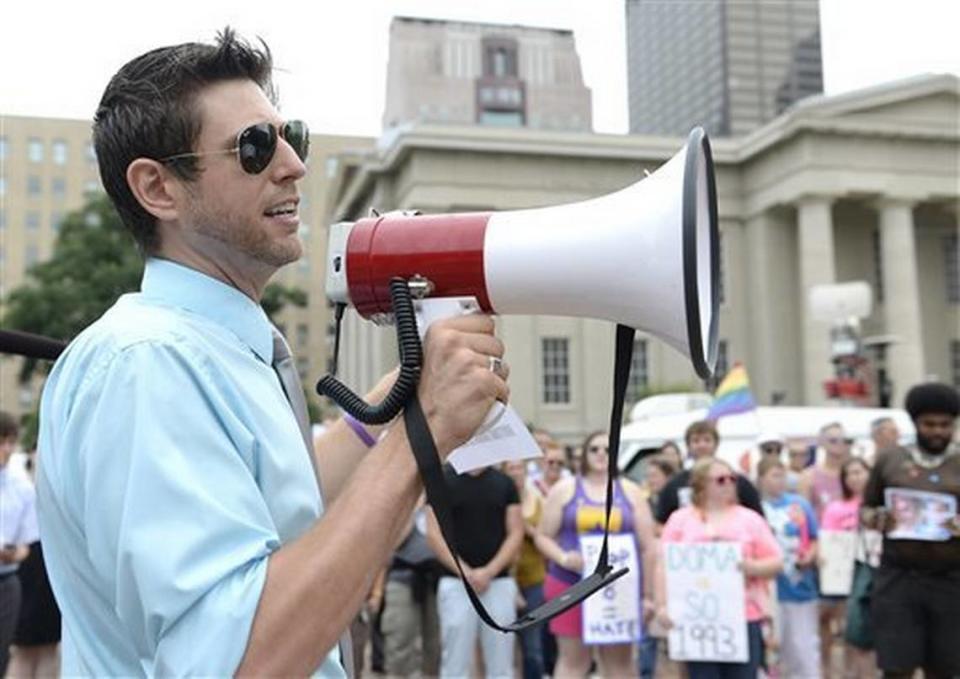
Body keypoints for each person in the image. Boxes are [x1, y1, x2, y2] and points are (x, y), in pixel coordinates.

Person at [35, 29, 510, 676]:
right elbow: (236, 660)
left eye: (293, 137)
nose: (293, 164)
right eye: (255, 147)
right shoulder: (148, 364)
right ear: (158, 189)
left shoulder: (206, 348)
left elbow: (280, 500)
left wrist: (394, 405)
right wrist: (419, 437)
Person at [536, 431, 658, 678]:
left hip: (620, 588)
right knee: (573, 661)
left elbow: (649, 546)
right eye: (595, 449)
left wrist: (648, 595)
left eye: (608, 449)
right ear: (584, 454)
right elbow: (543, 536)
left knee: (619, 663)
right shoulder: (565, 489)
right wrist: (564, 558)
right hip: (570, 585)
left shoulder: (632, 491)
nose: (601, 454)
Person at [860, 382, 960, 679]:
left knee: (945, 669)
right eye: (929, 424)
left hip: (951, 581)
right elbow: (865, 508)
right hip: (899, 579)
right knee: (897, 667)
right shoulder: (890, 460)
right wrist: (878, 518)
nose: (938, 431)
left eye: (945, 425)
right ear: (915, 423)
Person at [657, 458, 783, 679]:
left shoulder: (750, 519)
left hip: (744, 616)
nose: (729, 484)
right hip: (697, 619)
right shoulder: (680, 520)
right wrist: (662, 606)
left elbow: (776, 561)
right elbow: (663, 565)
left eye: (732, 479)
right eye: (721, 480)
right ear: (701, 484)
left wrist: (751, 567)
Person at [425, 464, 523, 679]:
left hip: (498, 582)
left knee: (501, 661)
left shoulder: (504, 483)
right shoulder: (441, 481)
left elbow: (516, 532)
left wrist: (489, 571)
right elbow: (433, 534)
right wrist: (464, 572)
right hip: (455, 582)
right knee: (454, 660)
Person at [758, 457, 820, 679]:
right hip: (766, 589)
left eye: (782, 475)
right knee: (771, 649)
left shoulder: (799, 505)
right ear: (761, 479)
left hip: (799, 586)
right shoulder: (755, 508)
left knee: (802, 649)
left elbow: (814, 538)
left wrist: (810, 555)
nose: (780, 480)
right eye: (774, 475)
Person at [798, 422, 853, 670]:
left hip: (853, 549)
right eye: (832, 440)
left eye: (843, 440)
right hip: (825, 550)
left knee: (852, 616)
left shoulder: (854, 472)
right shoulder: (810, 477)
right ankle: (827, 669)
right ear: (821, 444)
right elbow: (802, 517)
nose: (838, 446)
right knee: (824, 614)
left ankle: (851, 671)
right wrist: (809, 547)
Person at [821, 457, 878, 678]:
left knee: (869, 632)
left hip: (875, 573)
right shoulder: (836, 507)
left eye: (859, 472)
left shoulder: (878, 506)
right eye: (849, 473)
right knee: (848, 630)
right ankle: (847, 673)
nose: (855, 477)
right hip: (843, 576)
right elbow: (828, 540)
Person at [656, 420, 764, 525]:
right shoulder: (674, 485)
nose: (702, 445)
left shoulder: (736, 481)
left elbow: (759, 520)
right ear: (688, 447)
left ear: (716, 444)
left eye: (707, 440)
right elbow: (659, 524)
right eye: (696, 441)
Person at [381, 502, 441, 678]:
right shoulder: (403, 501)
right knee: (400, 640)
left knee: (435, 645)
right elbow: (393, 542)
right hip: (403, 576)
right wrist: (413, 507)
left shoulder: (441, 498)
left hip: (437, 578)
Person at [1, 412, 40, 676]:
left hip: (6, 580)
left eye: (11, 442)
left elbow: (27, 544)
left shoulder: (21, 487)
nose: (6, 448)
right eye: (1, 441)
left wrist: (14, 554)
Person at [504, 459, 546, 679]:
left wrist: (525, 527)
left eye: (519, 468)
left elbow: (546, 537)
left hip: (533, 579)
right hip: (506, 580)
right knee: (507, 646)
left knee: (532, 646)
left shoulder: (537, 499)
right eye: (511, 468)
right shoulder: (500, 499)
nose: (516, 473)